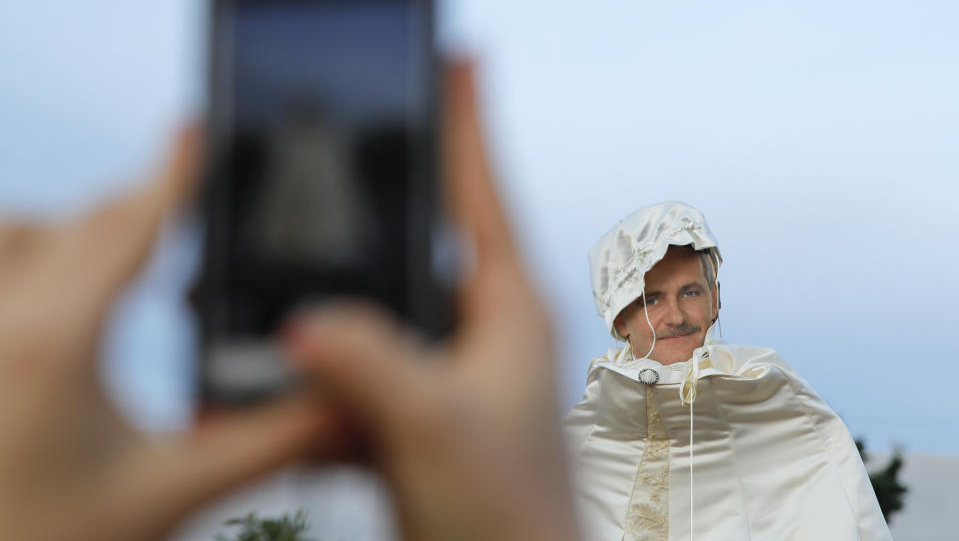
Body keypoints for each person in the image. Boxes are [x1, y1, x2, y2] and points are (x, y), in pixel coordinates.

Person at [0, 62, 579, 541]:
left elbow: (320, 205)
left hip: (312, 256)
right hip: (313, 257)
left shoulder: (317, 147)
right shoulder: (318, 146)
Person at [564, 201, 893, 541]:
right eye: (652, 300)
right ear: (619, 318)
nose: (676, 317)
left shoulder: (778, 407)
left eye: (690, 293)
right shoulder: (577, 445)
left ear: (714, 299)